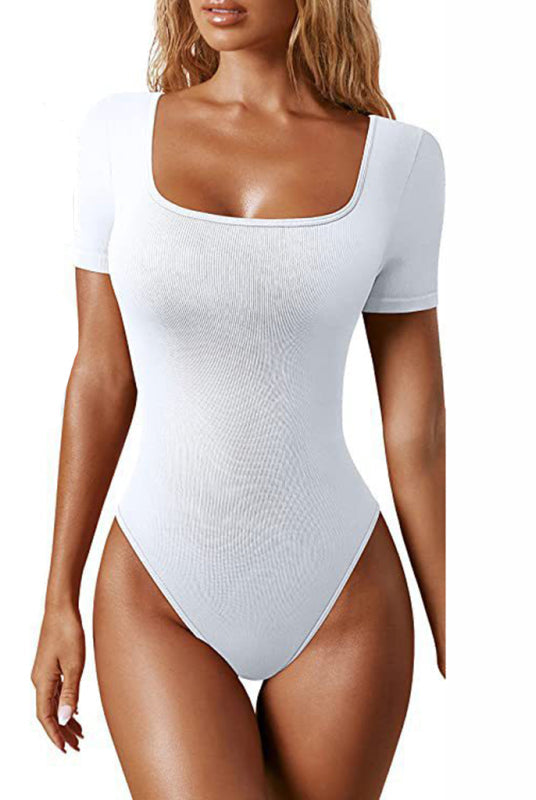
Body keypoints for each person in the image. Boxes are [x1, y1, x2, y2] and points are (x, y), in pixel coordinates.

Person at [32, 1, 446, 797]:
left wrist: (466, 634)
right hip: (159, 587)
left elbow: (416, 427)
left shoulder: (401, 163)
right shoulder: (117, 135)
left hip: (343, 601)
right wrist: (59, 597)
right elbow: (101, 375)